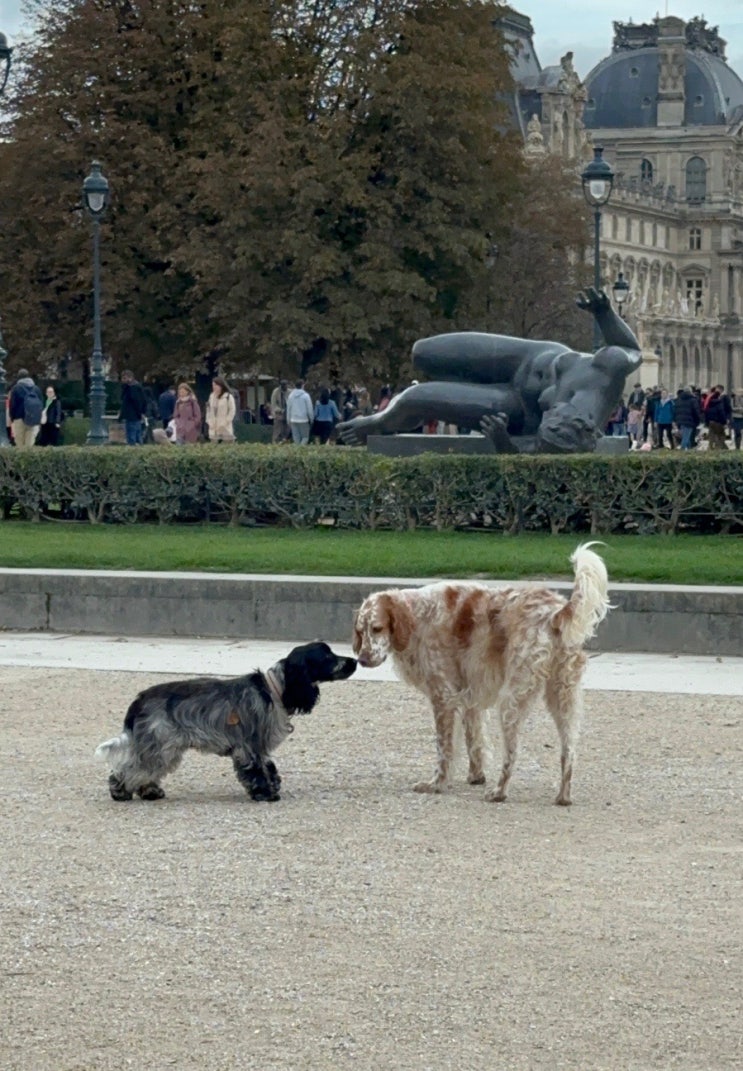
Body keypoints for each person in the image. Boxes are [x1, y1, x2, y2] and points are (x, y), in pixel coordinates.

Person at [337, 288, 643, 454]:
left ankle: (377, 423)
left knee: (415, 397)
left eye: (547, 418)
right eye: (552, 414)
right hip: (531, 356)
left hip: (515, 407)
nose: (548, 413)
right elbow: (632, 349)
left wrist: (501, 438)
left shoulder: (558, 440)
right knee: (423, 352)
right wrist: (605, 313)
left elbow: (528, 449)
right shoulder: (607, 371)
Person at [9, 368, 44, 448]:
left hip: (19, 418)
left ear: (18, 377)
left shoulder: (16, 388)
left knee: (19, 443)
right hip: (33, 419)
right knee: (29, 445)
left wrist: (12, 418)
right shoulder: (36, 389)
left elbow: (13, 405)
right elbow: (41, 404)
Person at [118, 370, 148, 445]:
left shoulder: (132, 388)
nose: (122, 380)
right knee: (137, 434)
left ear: (130, 378)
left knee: (132, 436)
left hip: (132, 415)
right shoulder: (134, 387)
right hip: (135, 415)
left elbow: (136, 402)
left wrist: (140, 412)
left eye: (124, 378)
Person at [205, 376, 236, 443]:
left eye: (216, 385)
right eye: (213, 385)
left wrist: (226, 421)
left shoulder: (228, 397)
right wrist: (209, 421)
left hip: (225, 428)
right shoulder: (211, 396)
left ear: (221, 386)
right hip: (213, 428)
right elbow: (208, 409)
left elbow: (232, 411)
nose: (214, 387)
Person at [286, 379, 314, 445]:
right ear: (302, 385)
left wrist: (288, 419)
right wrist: (311, 419)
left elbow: (288, 408)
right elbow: (309, 409)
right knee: (305, 437)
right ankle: (301, 449)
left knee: (296, 438)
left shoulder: (291, 396)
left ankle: (297, 449)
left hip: (293, 419)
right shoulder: (306, 396)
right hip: (303, 419)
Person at [674, 386, 701, 450]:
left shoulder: (679, 400)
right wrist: (698, 420)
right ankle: (682, 449)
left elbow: (676, 411)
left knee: (686, 436)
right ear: (691, 392)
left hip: (680, 421)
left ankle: (689, 449)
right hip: (689, 421)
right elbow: (696, 411)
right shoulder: (693, 400)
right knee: (686, 437)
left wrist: (676, 420)